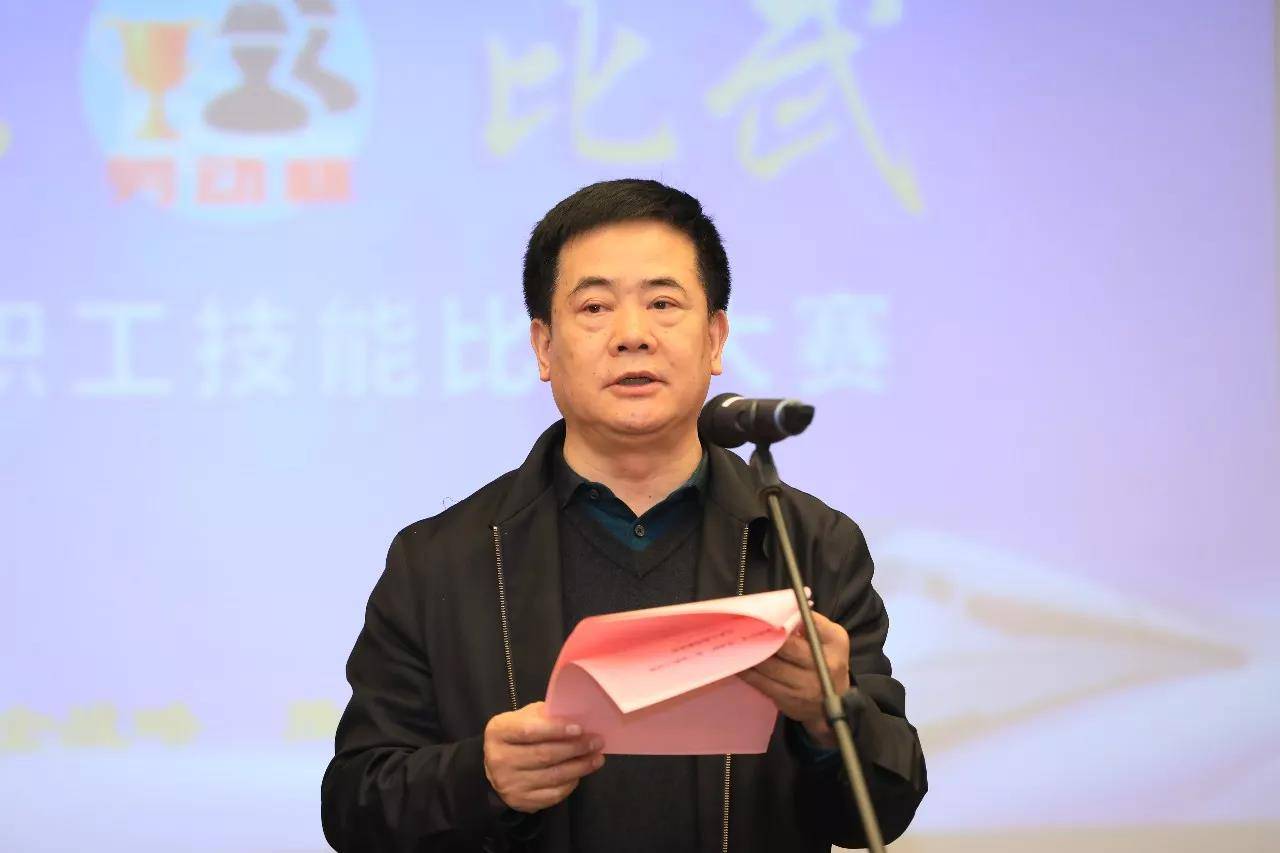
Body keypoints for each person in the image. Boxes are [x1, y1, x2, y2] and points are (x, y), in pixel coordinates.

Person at [321, 179, 927, 852]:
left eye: (663, 303)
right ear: (544, 346)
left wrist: (830, 715)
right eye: (595, 307)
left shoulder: (807, 542)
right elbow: (354, 805)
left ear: (716, 337)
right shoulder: (440, 559)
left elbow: (886, 808)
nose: (632, 335)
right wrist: (480, 778)